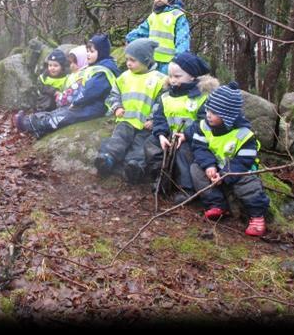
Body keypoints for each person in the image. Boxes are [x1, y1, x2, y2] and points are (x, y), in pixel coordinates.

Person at [184, 82, 270, 237]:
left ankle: (257, 215)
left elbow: (244, 161)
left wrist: (225, 174)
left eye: (214, 112)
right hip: (215, 167)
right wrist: (209, 165)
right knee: (195, 169)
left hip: (238, 170)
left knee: (249, 184)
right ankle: (216, 204)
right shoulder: (204, 126)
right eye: (208, 108)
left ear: (227, 116)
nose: (208, 114)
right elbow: (200, 147)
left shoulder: (244, 134)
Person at [143, 52, 219, 204]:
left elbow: (204, 122)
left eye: (177, 76)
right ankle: (161, 178)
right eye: (170, 76)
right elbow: (160, 117)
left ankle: (187, 188)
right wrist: (160, 134)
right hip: (169, 136)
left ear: (192, 76)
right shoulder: (166, 96)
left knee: (183, 153)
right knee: (150, 144)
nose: (172, 80)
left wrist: (186, 134)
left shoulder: (202, 97)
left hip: (191, 138)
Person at [12, 34, 120, 138]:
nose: (88, 54)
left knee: (61, 116)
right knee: (59, 112)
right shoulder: (99, 67)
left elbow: (90, 91)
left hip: (94, 108)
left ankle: (27, 123)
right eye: (87, 51)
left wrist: (76, 102)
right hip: (89, 105)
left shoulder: (102, 71)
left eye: (92, 51)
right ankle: (37, 127)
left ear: (101, 52)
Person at [94, 38, 167, 184]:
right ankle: (107, 158)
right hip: (126, 120)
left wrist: (153, 120)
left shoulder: (160, 79)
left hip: (147, 126)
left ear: (146, 60)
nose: (128, 63)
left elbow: (163, 103)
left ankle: (134, 167)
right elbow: (113, 95)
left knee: (140, 145)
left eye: (133, 60)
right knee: (119, 138)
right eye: (127, 59)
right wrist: (117, 107)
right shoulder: (123, 77)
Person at [125, 0, 190, 75]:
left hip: (169, 64)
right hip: (151, 62)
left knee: (166, 87)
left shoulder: (178, 16)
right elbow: (142, 30)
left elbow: (183, 39)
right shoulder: (153, 15)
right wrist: (130, 39)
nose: (157, 0)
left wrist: (179, 60)